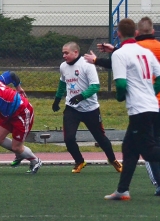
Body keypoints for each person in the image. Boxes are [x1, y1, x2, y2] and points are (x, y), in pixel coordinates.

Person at [84, 16, 160, 196]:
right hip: (152, 106)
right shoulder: (145, 52)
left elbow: (121, 84)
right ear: (135, 33)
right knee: (129, 149)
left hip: (139, 109)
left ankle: (123, 190)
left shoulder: (119, 54)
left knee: (149, 152)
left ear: (118, 34)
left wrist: (120, 97)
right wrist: (152, 91)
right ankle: (122, 190)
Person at [52, 41, 122, 174]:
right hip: (72, 109)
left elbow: (95, 86)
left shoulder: (87, 64)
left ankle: (113, 160)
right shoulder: (63, 66)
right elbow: (62, 84)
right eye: (63, 53)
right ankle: (79, 161)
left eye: (66, 53)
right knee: (68, 138)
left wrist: (80, 96)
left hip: (91, 109)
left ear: (75, 52)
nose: (64, 56)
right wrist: (57, 100)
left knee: (100, 138)